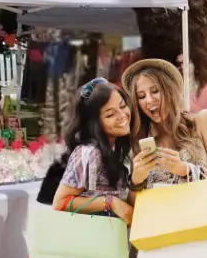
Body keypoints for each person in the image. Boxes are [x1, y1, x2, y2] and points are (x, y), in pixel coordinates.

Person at [52, 77, 151, 223]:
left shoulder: (117, 148)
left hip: (111, 237)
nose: (122, 115)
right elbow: (60, 203)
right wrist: (109, 202)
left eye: (123, 106)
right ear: (95, 123)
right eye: (110, 114)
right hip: (90, 240)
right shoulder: (88, 153)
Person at [122, 58, 207, 187]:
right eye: (141, 96)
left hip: (203, 206)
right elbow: (134, 203)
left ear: (170, 90)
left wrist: (186, 170)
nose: (149, 100)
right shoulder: (142, 141)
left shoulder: (203, 120)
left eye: (155, 91)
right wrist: (136, 181)